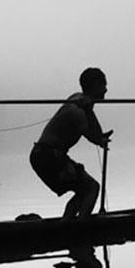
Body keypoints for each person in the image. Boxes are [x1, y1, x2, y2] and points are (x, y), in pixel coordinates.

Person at [29, 67, 113, 218]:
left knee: (83, 190)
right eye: (104, 85)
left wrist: (99, 133)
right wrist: (100, 138)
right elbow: (94, 137)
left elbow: (96, 133)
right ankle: (79, 229)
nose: (106, 90)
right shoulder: (77, 111)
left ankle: (67, 226)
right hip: (48, 157)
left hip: (43, 155)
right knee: (91, 188)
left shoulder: (78, 100)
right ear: (95, 85)